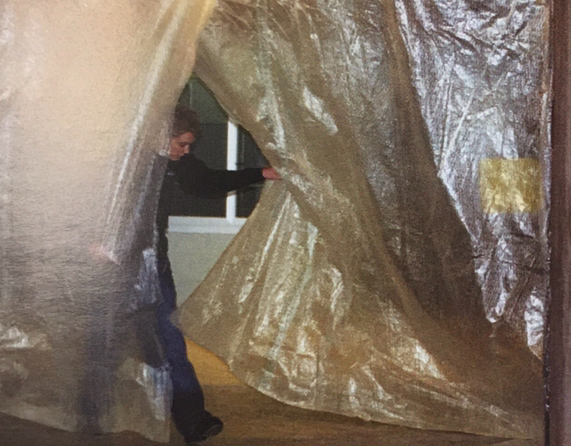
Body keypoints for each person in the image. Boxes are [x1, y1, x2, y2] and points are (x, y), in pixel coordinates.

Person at [156, 105, 279, 444]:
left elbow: (208, 182)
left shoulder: (178, 164)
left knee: (170, 342)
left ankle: (193, 420)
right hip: (111, 268)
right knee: (100, 342)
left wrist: (261, 174)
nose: (186, 151)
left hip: (153, 266)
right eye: (182, 143)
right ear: (159, 135)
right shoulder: (126, 164)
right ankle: (88, 410)